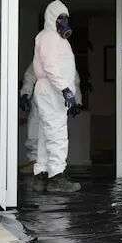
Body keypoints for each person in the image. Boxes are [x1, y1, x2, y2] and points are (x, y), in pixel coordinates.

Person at [31, 0, 81, 193]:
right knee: (57, 133)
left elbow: (65, 69)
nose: (63, 21)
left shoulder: (56, 39)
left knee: (46, 133)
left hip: (53, 91)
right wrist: (65, 90)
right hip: (52, 91)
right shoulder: (49, 37)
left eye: (66, 18)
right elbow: (51, 67)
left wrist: (71, 93)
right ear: (51, 18)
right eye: (60, 18)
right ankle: (57, 176)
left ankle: (41, 174)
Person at [19, 63, 83, 191]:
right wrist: (25, 93)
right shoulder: (44, 57)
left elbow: (74, 80)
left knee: (53, 137)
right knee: (40, 133)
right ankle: (43, 174)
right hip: (45, 100)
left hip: (57, 101)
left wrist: (76, 101)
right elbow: (30, 76)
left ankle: (50, 175)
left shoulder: (62, 58)